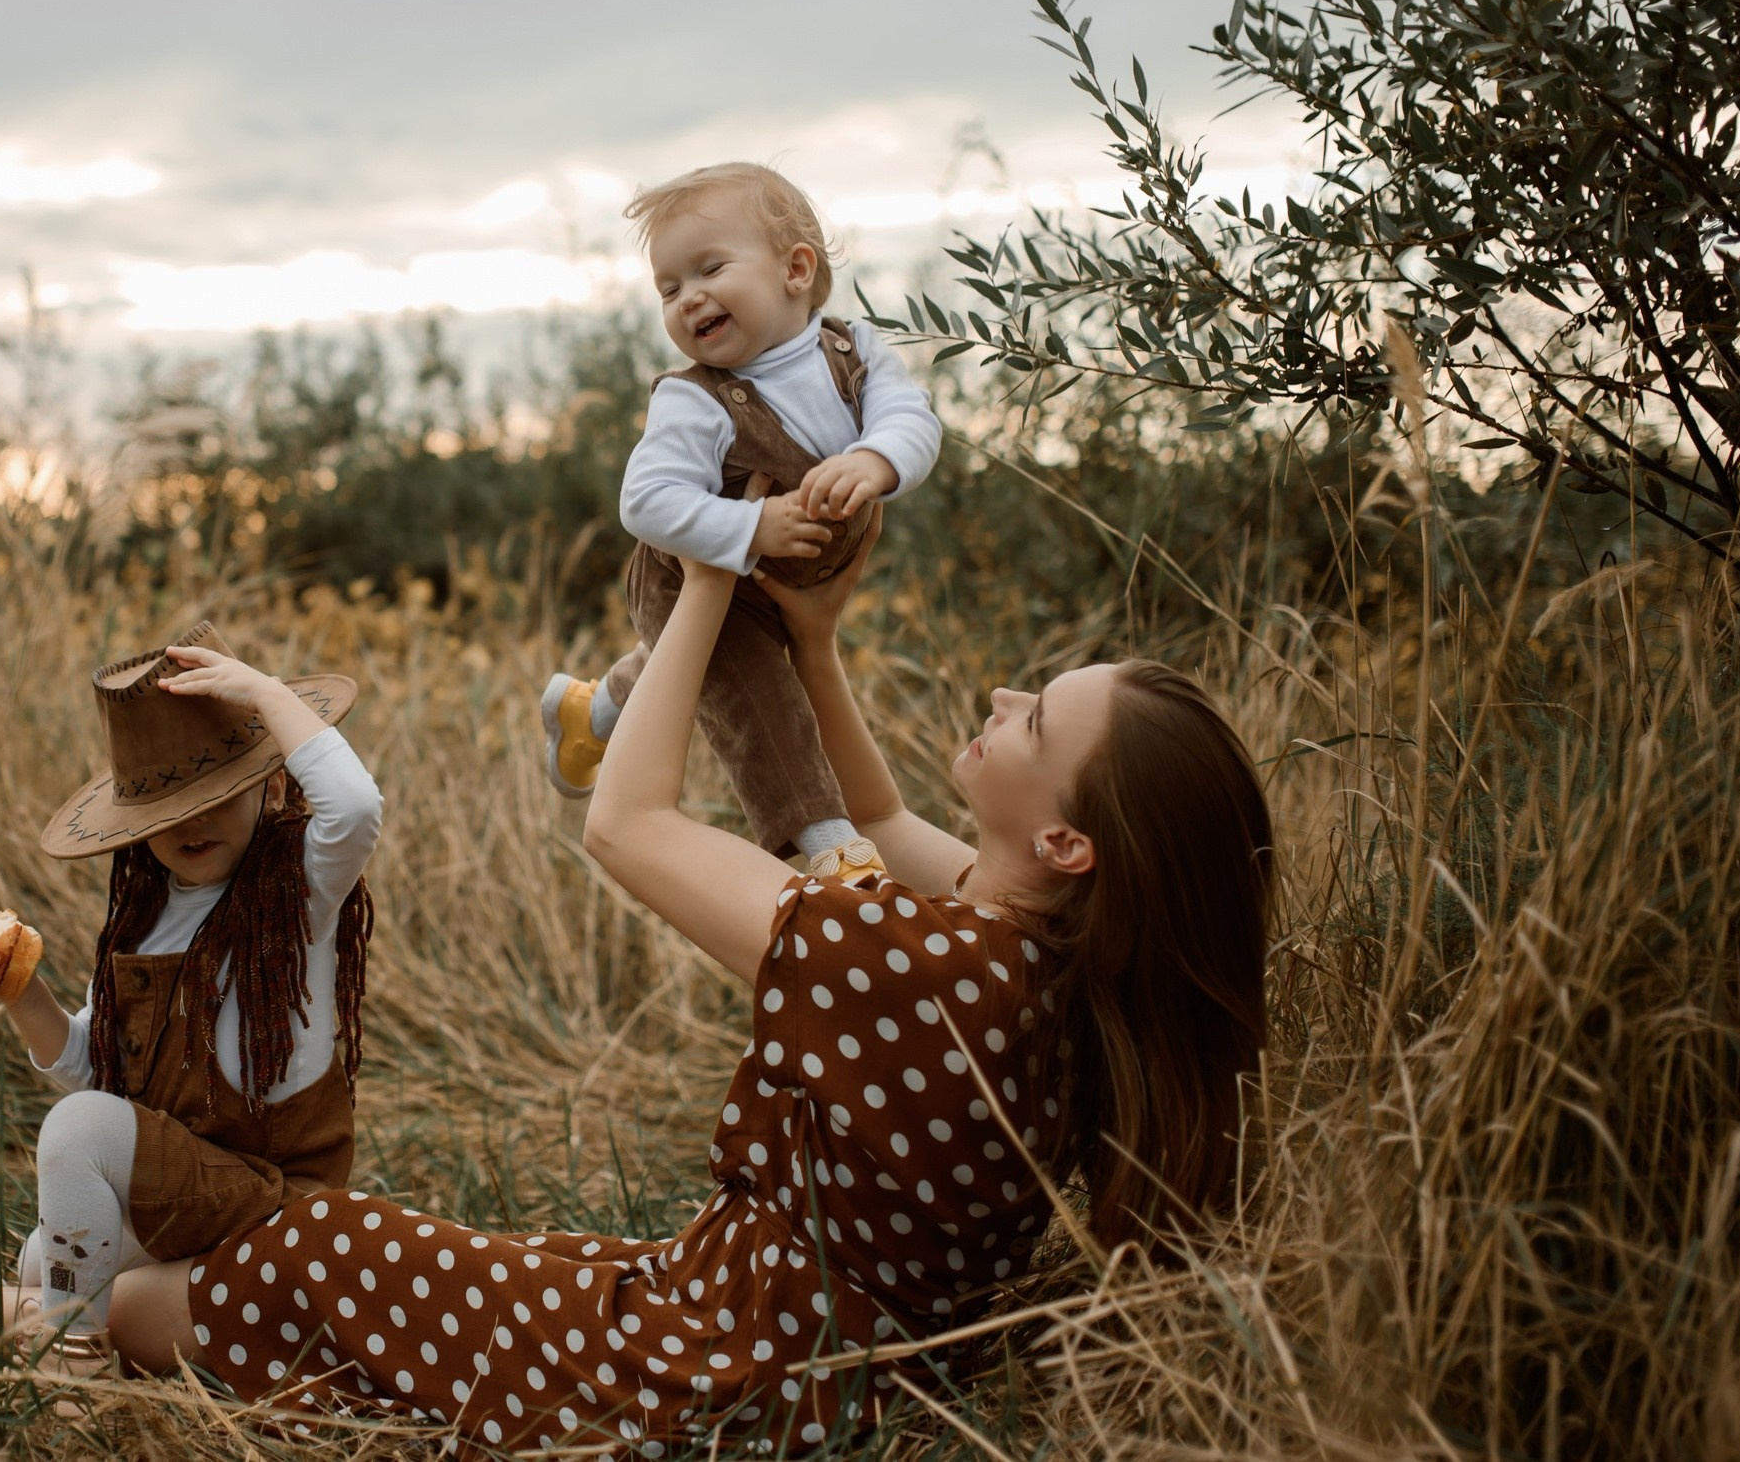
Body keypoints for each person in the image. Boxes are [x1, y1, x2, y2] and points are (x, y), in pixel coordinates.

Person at [104, 525, 1273, 1454]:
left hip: (712, 1365)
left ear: (1067, 842)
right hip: (790, 1350)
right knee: (434, 1259)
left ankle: (41, 1322)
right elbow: (869, 819)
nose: (1005, 703)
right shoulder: (1047, 961)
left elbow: (625, 824)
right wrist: (811, 646)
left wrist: (701, 581)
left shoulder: (923, 965)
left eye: (1040, 719)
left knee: (252, 1267)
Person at [0, 622, 382, 1357]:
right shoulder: (142, 921)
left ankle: (66, 1364)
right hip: (207, 1207)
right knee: (45, 1254)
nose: (191, 819)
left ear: (276, 782)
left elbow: (354, 806)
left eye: (216, 793)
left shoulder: (297, 892)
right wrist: (21, 993)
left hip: (285, 1216)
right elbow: (94, 1069)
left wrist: (261, 693)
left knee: (76, 1135)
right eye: (166, 809)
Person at [541, 161, 943, 879]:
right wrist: (750, 530)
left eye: (708, 269)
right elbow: (647, 501)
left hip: (778, 580)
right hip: (695, 572)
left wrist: (877, 460)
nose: (688, 297)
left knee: (702, 667)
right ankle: (825, 845)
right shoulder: (695, 399)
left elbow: (912, 417)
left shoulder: (854, 351)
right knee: (759, 692)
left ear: (795, 268)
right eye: (669, 288)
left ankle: (594, 710)